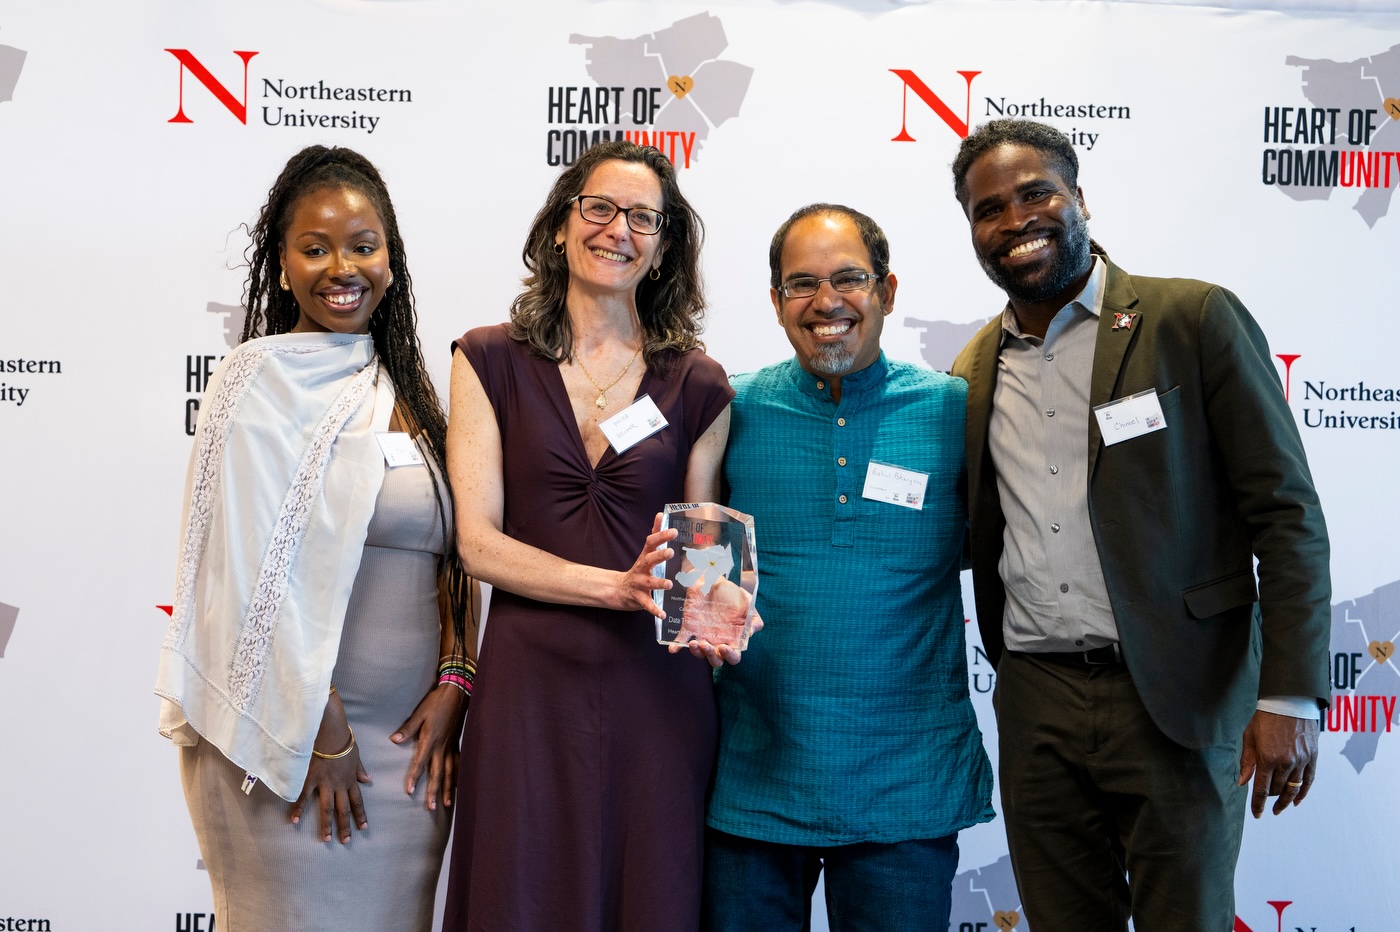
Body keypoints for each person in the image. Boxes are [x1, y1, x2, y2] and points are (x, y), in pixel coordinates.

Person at [949, 119, 1331, 931]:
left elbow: (1286, 513)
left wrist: (1292, 693)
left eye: (1036, 193)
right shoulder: (971, 372)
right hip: (1037, 703)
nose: (1016, 220)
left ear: (1079, 197)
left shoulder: (1191, 319)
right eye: (989, 209)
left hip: (1179, 695)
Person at [155, 146, 476, 931]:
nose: (344, 267)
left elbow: (455, 558)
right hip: (286, 737)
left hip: (411, 751)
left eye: (364, 246)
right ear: (284, 263)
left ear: (391, 263)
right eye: (316, 247)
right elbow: (243, 573)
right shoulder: (252, 380)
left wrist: (455, 680)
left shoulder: (403, 394)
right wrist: (319, 728)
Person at [442, 140, 747, 932]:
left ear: (664, 245)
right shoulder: (486, 359)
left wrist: (719, 605)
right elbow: (477, 543)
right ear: (559, 225)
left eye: (644, 217)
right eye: (600, 207)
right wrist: (612, 586)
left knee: (648, 896)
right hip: (527, 691)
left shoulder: (699, 382)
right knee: (520, 893)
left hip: (657, 699)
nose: (619, 230)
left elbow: (701, 544)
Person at [704, 204, 994, 932]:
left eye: (849, 280)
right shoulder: (729, 409)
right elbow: (699, 561)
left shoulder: (956, 411)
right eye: (801, 285)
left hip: (905, 786)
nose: (826, 303)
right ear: (775, 303)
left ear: (888, 292)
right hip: (753, 780)